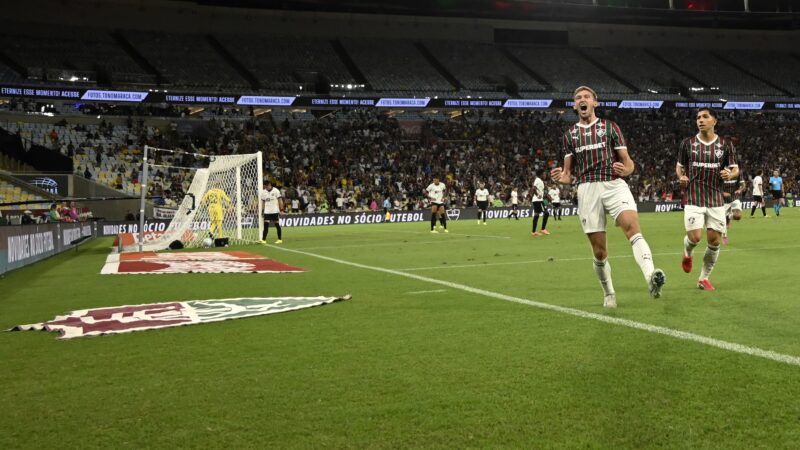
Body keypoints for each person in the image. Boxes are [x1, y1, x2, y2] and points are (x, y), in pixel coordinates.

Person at [551, 86, 665, 308]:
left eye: (586, 97)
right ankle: (609, 293)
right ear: (575, 106)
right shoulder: (569, 136)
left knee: (632, 228)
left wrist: (627, 170)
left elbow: (628, 162)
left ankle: (651, 277)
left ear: (595, 102)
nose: (582, 100)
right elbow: (567, 174)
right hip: (587, 189)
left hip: (613, 184)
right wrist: (562, 178)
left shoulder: (610, 127)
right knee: (600, 251)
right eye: (578, 98)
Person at [677, 107, 739, 291]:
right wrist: (681, 177)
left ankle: (703, 279)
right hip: (694, 197)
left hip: (716, 199)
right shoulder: (687, 144)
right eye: (698, 117)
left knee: (714, 241)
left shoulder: (725, 145)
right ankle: (687, 252)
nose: (700, 120)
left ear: (714, 121)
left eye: (705, 117)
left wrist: (730, 174)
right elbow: (679, 167)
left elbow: (735, 168)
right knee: (695, 237)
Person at [722, 175, 746, 245]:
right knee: (722, 221)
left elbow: (743, 185)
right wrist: (722, 193)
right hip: (723, 201)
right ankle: (724, 236)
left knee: (738, 216)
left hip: (734, 198)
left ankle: (728, 216)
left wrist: (740, 190)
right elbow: (714, 187)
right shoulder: (721, 173)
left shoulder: (737, 174)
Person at [530, 169, 550, 236]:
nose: (545, 175)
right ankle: (543, 229)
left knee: (536, 215)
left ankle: (533, 232)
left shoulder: (540, 180)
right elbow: (533, 188)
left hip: (537, 200)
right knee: (546, 213)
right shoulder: (538, 180)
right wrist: (538, 195)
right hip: (538, 200)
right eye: (544, 174)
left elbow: (538, 190)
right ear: (541, 174)